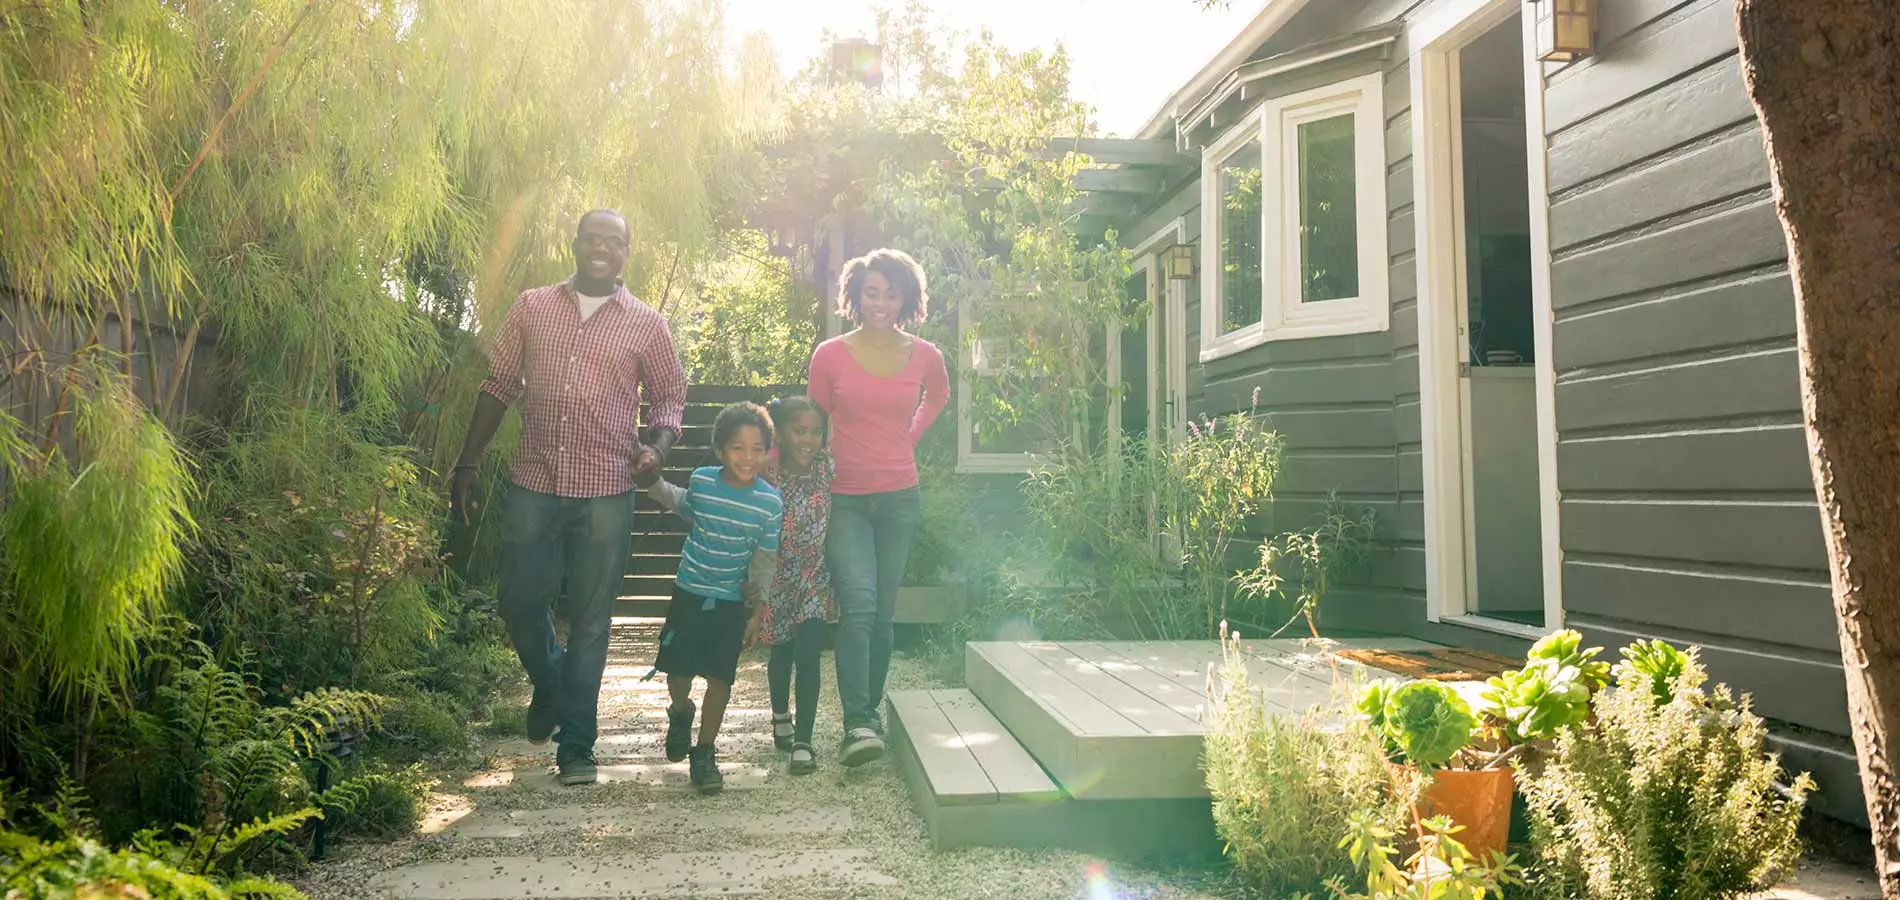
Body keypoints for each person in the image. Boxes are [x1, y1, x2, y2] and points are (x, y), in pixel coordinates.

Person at [448, 209, 686, 787]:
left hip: (606, 488)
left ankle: (577, 745)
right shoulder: (533, 307)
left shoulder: (647, 325)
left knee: (591, 618)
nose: (603, 248)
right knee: (518, 602)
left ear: (627, 253)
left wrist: (656, 449)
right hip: (535, 479)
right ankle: (551, 683)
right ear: (574, 244)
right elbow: (498, 383)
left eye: (615, 241)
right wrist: (469, 460)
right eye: (593, 238)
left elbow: (669, 400)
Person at [806, 248, 950, 767]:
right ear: (856, 295)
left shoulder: (925, 355)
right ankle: (858, 722)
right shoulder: (830, 355)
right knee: (860, 606)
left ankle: (867, 714)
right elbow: (812, 421)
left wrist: (909, 435)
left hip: (898, 499)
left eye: (892, 293)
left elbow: (938, 395)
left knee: (882, 613)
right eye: (872, 292)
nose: (881, 302)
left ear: (906, 298)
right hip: (845, 498)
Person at [632, 402, 782, 795]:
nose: (746, 457)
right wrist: (651, 481)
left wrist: (758, 609)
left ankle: (705, 752)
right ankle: (681, 712)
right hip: (689, 593)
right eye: (737, 447)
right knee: (678, 672)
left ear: (767, 452)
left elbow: (765, 560)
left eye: (756, 448)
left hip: (731, 603)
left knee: (720, 679)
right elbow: (680, 501)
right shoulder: (703, 481)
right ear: (719, 450)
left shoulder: (770, 504)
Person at [756, 396, 836, 775]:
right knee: (781, 653)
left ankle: (804, 740)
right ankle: (778, 713)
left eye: (815, 432)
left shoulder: (826, 467)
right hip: (777, 579)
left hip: (815, 577)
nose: (808, 439)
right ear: (781, 435)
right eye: (798, 431)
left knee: (809, 655)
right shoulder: (768, 474)